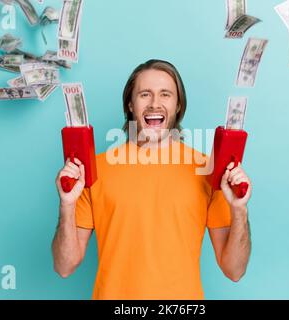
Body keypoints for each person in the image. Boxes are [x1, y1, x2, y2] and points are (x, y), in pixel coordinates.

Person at [52, 59, 252, 299]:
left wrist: (239, 209)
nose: (155, 103)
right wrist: (67, 204)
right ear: (130, 104)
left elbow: (235, 270)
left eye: (165, 95)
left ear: (178, 106)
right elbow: (65, 266)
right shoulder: (93, 170)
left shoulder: (207, 171)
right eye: (145, 94)